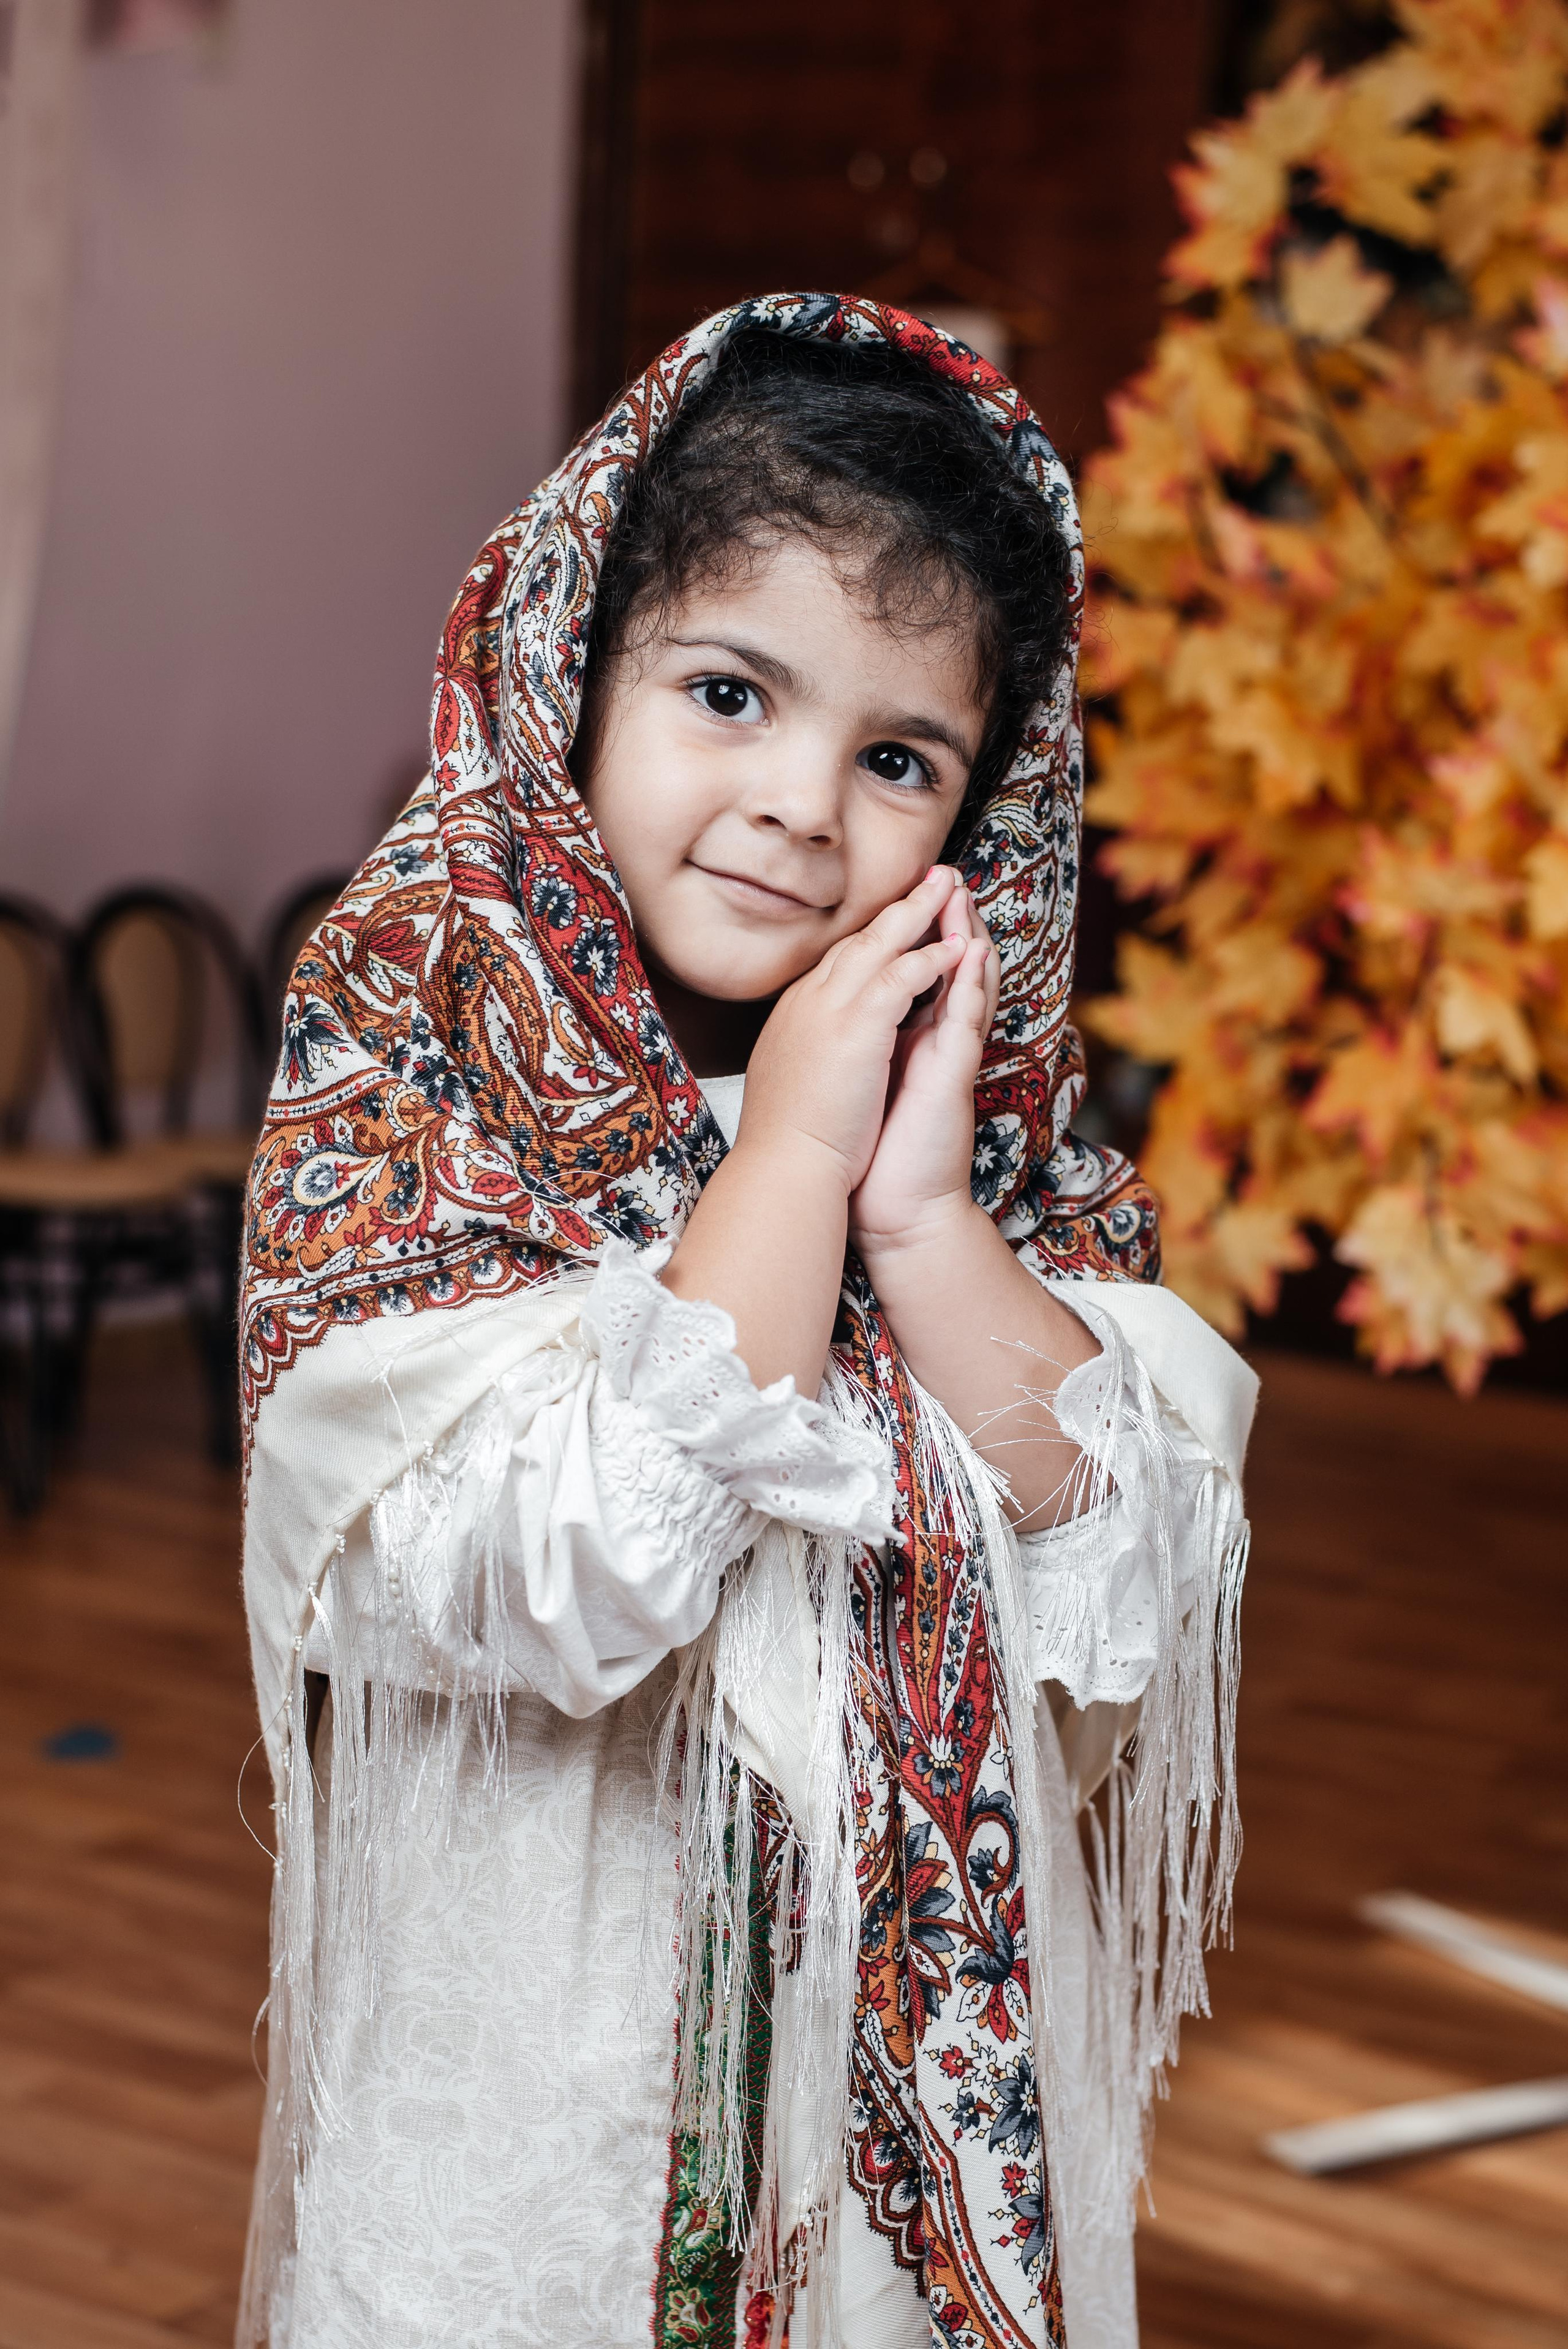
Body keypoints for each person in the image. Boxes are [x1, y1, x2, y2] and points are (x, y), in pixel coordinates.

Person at [237, 295, 1257, 2349]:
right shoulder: (426, 1052)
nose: (804, 801)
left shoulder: (985, 1121)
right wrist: (780, 1164)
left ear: (979, 821)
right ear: (568, 680)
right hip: (536, 2126)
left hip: (879, 2205)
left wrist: (919, 1207)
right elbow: (564, 1570)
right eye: (727, 691)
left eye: (897, 756)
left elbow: (1122, 1565)